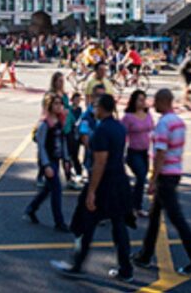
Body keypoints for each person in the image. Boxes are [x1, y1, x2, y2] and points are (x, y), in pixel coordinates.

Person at [52, 94, 134, 282]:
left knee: (86, 224)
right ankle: (126, 269)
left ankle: (77, 264)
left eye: (95, 106)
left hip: (105, 184)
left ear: (103, 108)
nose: (93, 109)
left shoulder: (102, 131)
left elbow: (99, 163)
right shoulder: (119, 127)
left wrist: (91, 191)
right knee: (119, 225)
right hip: (120, 181)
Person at [132, 88, 191, 277]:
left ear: (162, 101)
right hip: (175, 172)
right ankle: (145, 255)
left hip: (165, 176)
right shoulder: (179, 122)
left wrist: (153, 179)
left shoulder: (164, 124)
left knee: (177, 219)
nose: (153, 104)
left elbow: (160, 153)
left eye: (155, 101)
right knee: (154, 216)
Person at [24, 94, 70, 232]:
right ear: (50, 106)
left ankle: (31, 208)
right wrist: (46, 165)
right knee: (56, 190)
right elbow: (41, 146)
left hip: (56, 159)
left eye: (60, 104)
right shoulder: (44, 124)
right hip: (48, 161)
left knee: (47, 189)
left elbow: (63, 141)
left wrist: (66, 159)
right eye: (55, 104)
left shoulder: (60, 121)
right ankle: (59, 222)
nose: (58, 106)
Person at [122, 89, 155, 217]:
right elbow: (122, 134)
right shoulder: (128, 117)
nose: (142, 102)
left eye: (144, 99)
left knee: (141, 179)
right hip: (133, 151)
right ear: (134, 101)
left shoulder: (148, 114)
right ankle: (135, 205)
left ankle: (136, 205)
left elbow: (153, 129)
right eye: (140, 99)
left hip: (144, 151)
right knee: (141, 176)